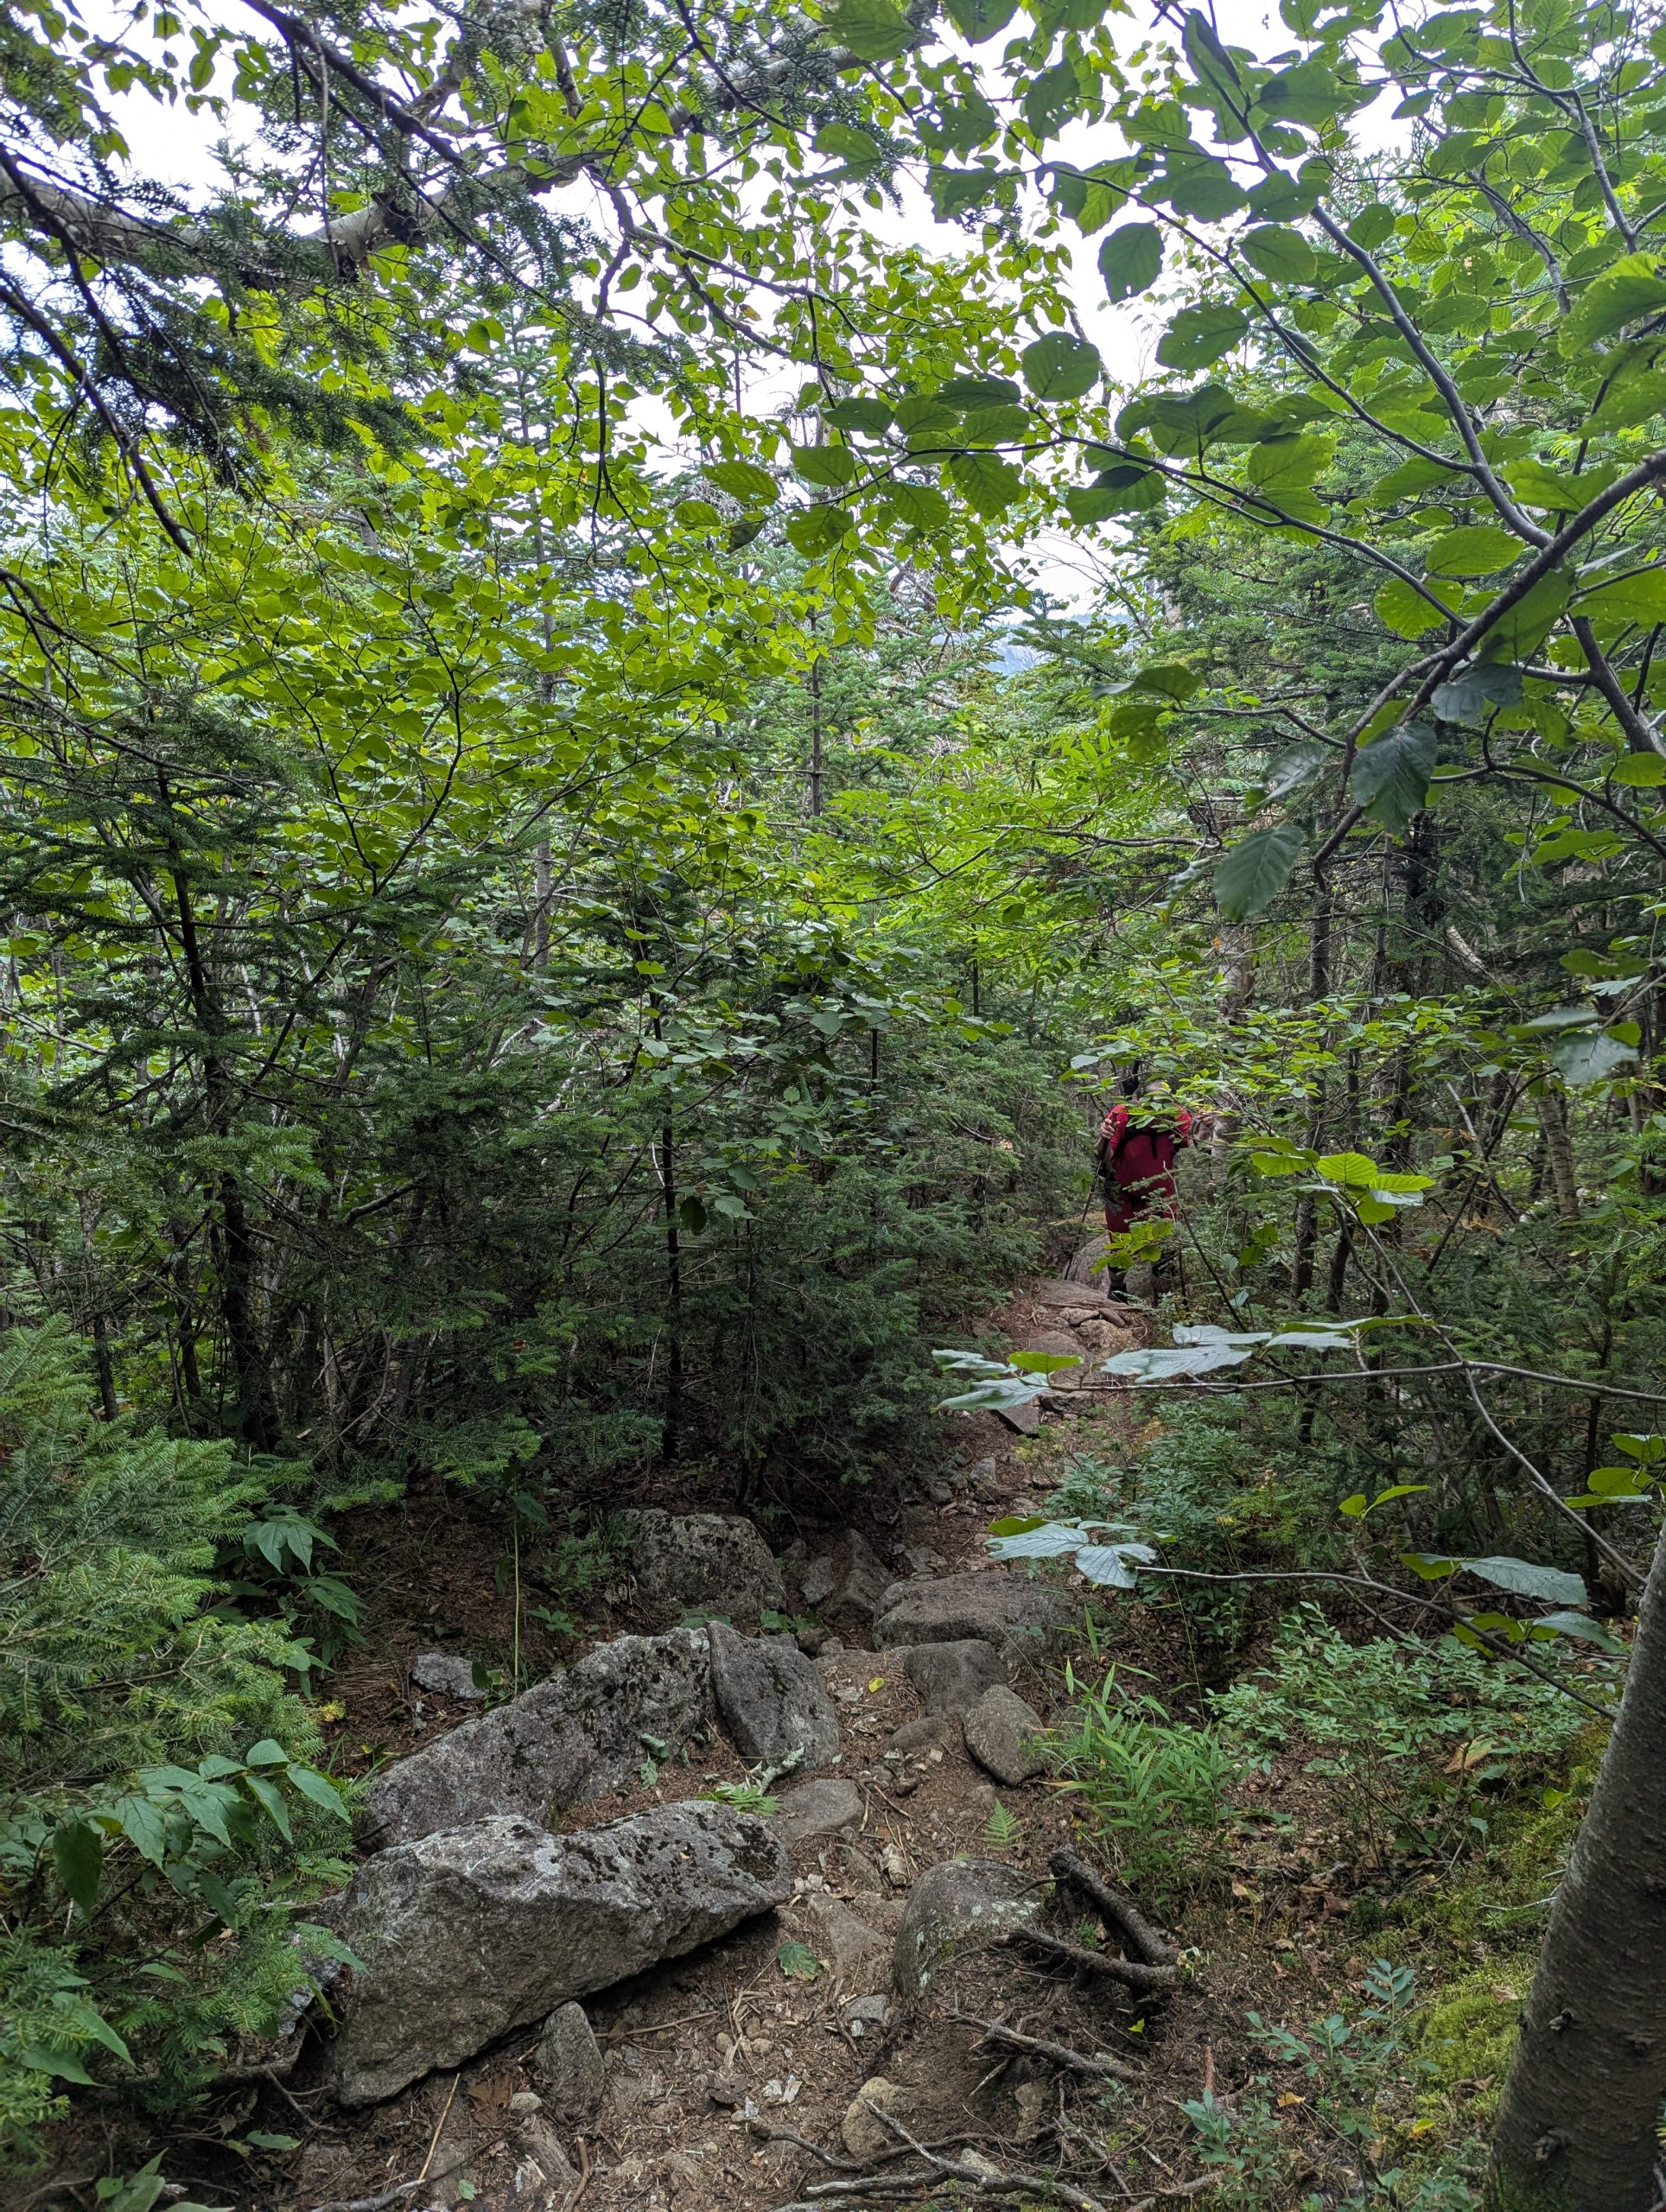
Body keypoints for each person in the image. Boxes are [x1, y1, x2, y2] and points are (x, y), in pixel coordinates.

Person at [1097, 1075, 1194, 1243]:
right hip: (1121, 1197)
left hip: (1161, 1199)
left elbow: (1197, 1141)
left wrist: (1207, 1125)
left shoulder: (1176, 1114)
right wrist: (1104, 1138)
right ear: (1141, 1102)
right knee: (1120, 1250)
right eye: (1151, 1105)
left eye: (1162, 1105)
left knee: (1164, 1250)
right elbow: (1103, 1156)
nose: (1156, 1112)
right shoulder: (1123, 1113)